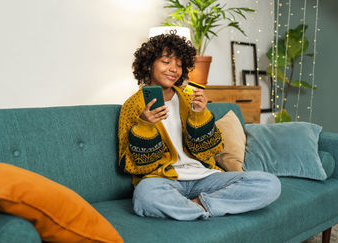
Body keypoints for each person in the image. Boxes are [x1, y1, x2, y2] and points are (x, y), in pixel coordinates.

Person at [118, 31, 281, 220]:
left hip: (204, 178)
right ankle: (211, 207)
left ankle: (200, 205)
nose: (174, 69)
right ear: (149, 64)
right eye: (166, 62)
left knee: (270, 184)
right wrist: (145, 126)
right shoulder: (132, 106)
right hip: (163, 181)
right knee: (144, 195)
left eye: (179, 65)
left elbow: (208, 151)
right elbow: (132, 165)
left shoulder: (190, 99)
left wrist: (200, 114)